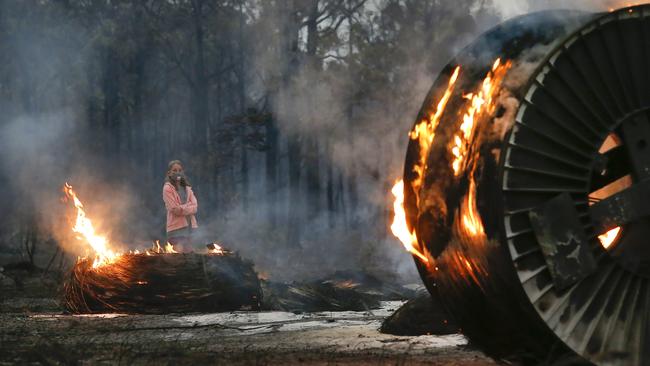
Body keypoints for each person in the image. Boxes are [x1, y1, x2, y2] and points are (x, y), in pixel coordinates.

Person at [162, 160, 198, 252]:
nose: (177, 172)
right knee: (183, 258)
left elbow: (195, 207)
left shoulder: (187, 188)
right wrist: (188, 206)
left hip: (190, 230)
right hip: (176, 231)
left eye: (180, 170)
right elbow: (175, 210)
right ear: (169, 173)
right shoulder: (167, 188)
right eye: (174, 170)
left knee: (193, 258)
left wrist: (182, 207)